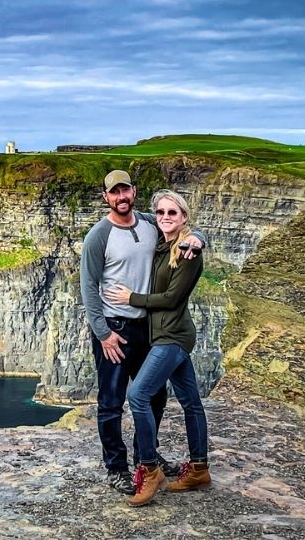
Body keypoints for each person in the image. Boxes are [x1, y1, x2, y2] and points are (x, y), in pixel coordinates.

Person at [80, 171, 205, 495]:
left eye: (126, 190)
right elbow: (89, 287)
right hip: (115, 329)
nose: (121, 197)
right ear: (106, 197)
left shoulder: (150, 222)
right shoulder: (99, 235)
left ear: (134, 192)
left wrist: (199, 237)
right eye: (114, 192)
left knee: (155, 396)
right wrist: (103, 333)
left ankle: (145, 458)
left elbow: (178, 222)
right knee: (111, 401)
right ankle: (116, 468)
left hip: (148, 327)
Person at [105, 189, 211, 507]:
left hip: (172, 337)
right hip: (164, 335)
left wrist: (130, 299)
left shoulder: (187, 251)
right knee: (191, 402)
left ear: (184, 217)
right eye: (161, 212)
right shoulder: (163, 240)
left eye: (173, 213)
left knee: (138, 396)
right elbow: (141, 219)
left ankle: (150, 469)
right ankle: (199, 468)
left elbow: (171, 299)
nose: (165, 217)